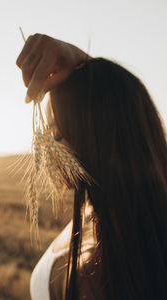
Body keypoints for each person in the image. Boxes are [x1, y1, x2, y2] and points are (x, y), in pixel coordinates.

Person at [16, 34, 167, 300]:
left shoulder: (78, 274)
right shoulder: (151, 217)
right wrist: (92, 73)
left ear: (84, 141)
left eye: (56, 133)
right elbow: (112, 122)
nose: (51, 147)